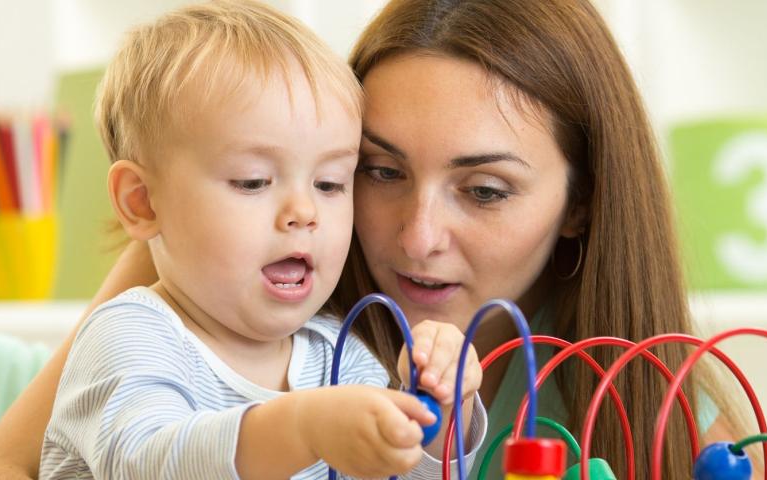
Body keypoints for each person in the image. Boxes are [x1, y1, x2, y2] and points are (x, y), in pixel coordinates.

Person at [0, 0, 753, 478]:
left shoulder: (653, 403)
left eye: (483, 191)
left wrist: (440, 421)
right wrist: (311, 427)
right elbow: (14, 464)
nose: (417, 238)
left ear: (582, 201)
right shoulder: (215, 241)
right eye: (380, 172)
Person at [37, 2, 485, 478]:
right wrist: (301, 430)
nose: (304, 213)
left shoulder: (339, 354)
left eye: (330, 183)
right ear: (143, 202)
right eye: (253, 182)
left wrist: (437, 410)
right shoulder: (130, 336)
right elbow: (147, 462)